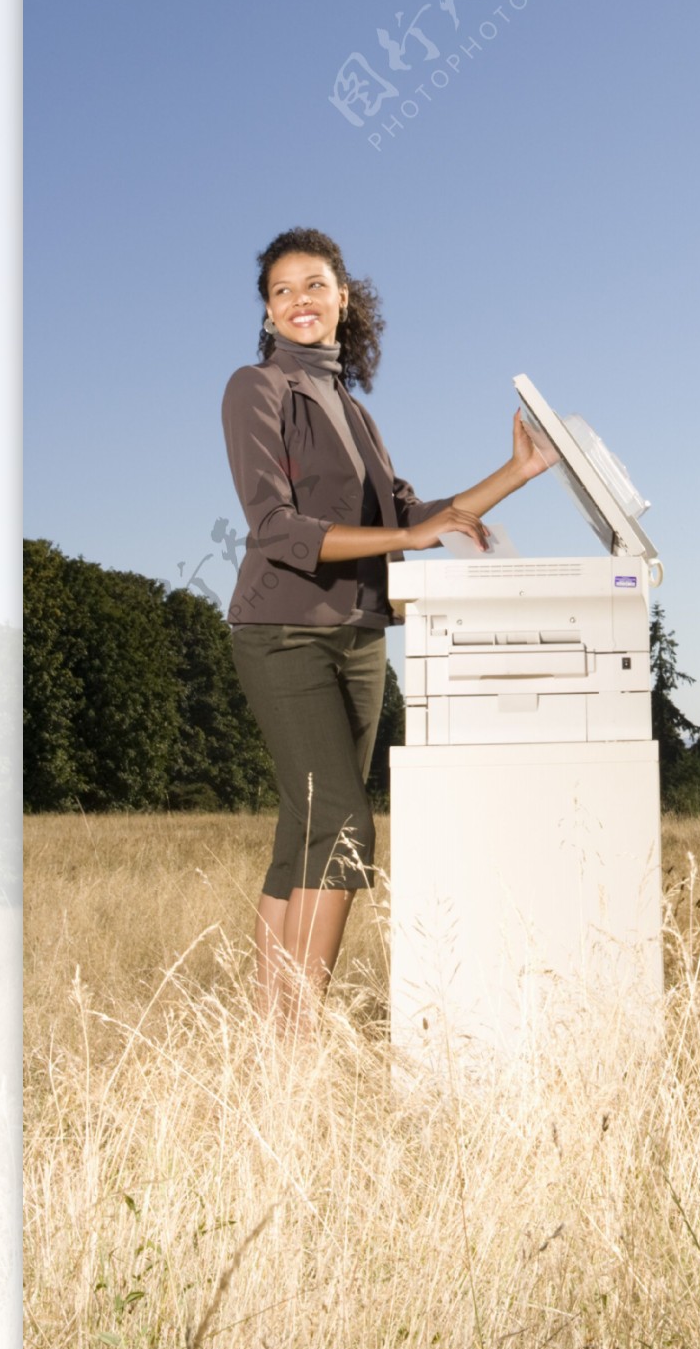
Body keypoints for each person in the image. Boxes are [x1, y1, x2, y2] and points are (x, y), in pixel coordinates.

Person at [220, 223, 548, 1032]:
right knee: (343, 825)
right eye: (282, 290)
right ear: (267, 313)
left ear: (344, 300)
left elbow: (410, 514)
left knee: (305, 833)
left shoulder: (354, 411)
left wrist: (518, 470)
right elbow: (276, 528)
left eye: (315, 285)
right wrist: (406, 539)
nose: (300, 300)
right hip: (283, 630)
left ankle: (271, 1045)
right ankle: (298, 1043)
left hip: (362, 635)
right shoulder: (255, 389)